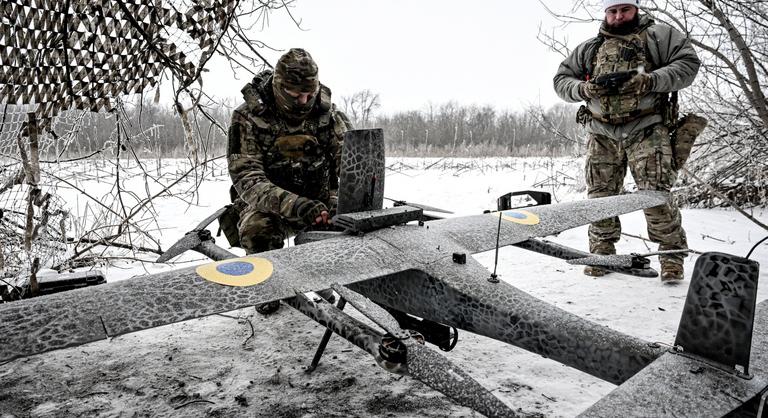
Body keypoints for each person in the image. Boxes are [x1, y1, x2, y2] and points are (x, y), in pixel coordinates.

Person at [553, 0, 703, 282]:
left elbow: (688, 65)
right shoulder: (590, 48)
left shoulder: (659, 36)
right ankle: (602, 253)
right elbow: (561, 80)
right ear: (606, 14)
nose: (618, 16)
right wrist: (583, 88)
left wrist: (651, 80)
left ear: (635, 10)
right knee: (599, 198)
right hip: (601, 132)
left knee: (655, 194)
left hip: (646, 127)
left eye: (625, 10)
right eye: (613, 11)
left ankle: (671, 258)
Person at [227, 48, 351, 312]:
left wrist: (340, 201)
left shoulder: (329, 115)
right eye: (296, 96)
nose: (304, 101)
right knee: (256, 229)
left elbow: (350, 163)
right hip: (269, 207)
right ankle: (268, 287)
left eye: (310, 94)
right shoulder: (248, 118)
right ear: (279, 87)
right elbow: (247, 179)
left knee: (352, 222)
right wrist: (296, 205)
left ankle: (331, 280)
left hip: (321, 202)